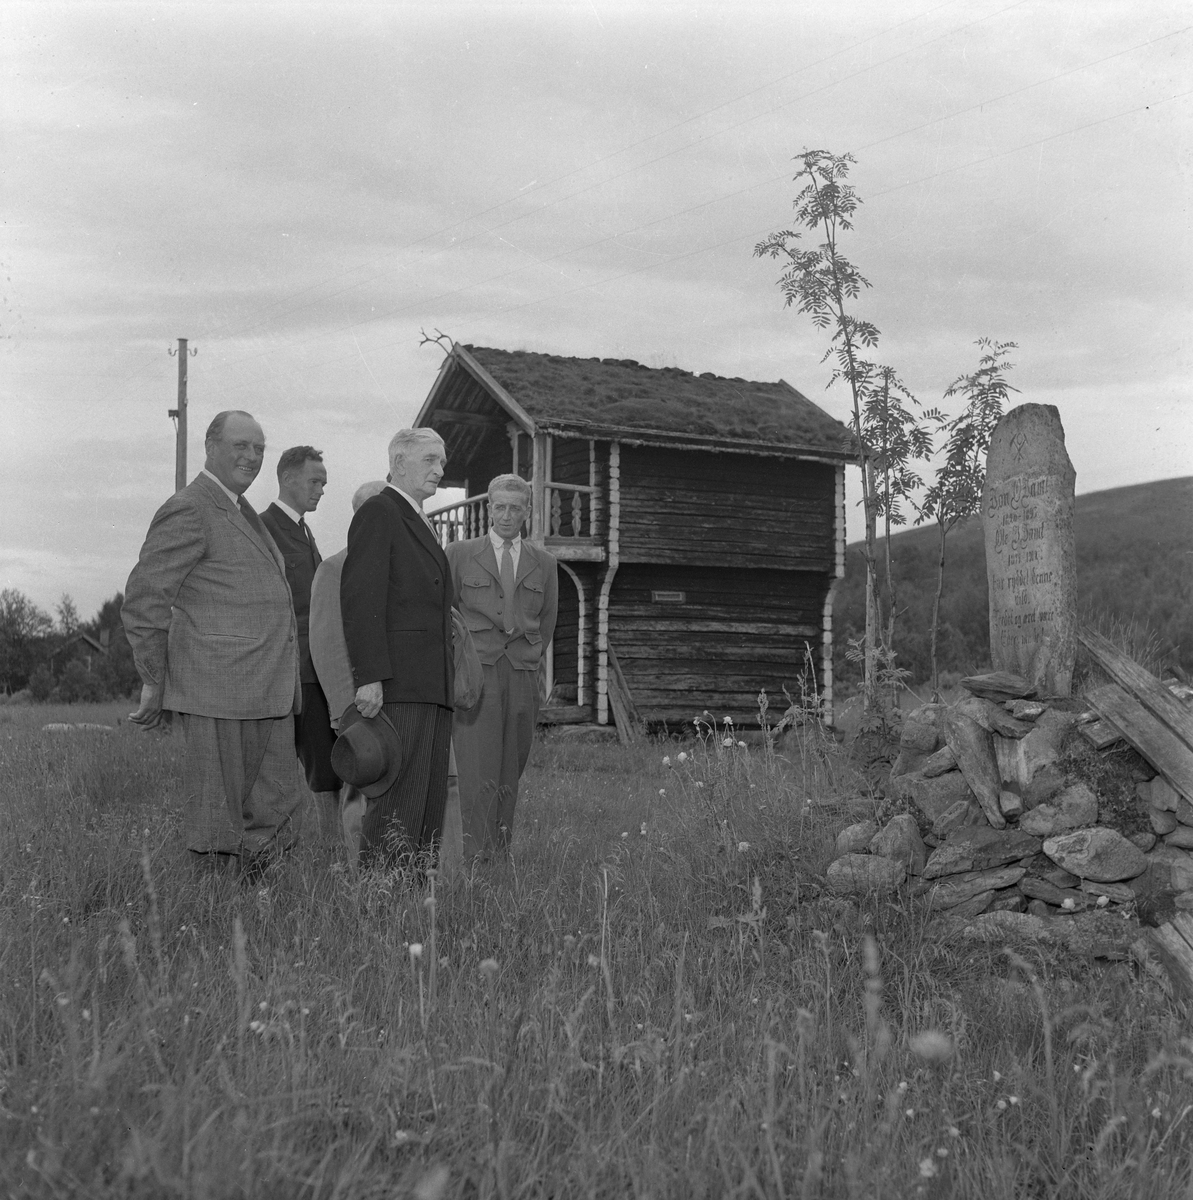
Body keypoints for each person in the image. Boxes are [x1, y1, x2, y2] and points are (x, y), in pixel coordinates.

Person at [122, 410, 302, 878]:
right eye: (242, 445)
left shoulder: (241, 510)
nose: (252, 457)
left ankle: (259, 912)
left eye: (260, 449)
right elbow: (146, 598)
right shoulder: (190, 506)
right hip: (216, 689)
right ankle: (214, 921)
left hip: (268, 690)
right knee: (217, 823)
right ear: (210, 445)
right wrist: (152, 679)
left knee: (275, 806)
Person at [310, 478, 468, 873]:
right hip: (363, 707)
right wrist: (344, 712)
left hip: (412, 701)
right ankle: (363, 874)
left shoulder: (408, 569)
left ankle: (429, 878)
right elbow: (328, 644)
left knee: (428, 792)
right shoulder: (334, 569)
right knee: (364, 793)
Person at [340, 429, 454, 867]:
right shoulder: (380, 512)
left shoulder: (417, 518)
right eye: (429, 460)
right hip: (399, 687)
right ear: (399, 463)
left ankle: (414, 905)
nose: (439, 470)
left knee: (427, 807)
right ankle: (379, 903)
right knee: (397, 805)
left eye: (442, 462)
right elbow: (361, 597)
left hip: (431, 687)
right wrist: (369, 677)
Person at [448, 473, 558, 858]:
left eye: (515, 508)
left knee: (513, 762)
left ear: (527, 511)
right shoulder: (459, 554)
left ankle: (500, 850)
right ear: (489, 508)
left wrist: (527, 658)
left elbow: (546, 623)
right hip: (477, 673)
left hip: (522, 673)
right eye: (500, 507)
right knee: (476, 764)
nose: (507, 515)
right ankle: (472, 853)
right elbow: (447, 616)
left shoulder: (544, 563)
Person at [259, 446, 339, 835]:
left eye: (323, 483)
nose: (321, 490)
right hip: (284, 674)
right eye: (314, 481)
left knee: (325, 768)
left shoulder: (303, 529)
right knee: (276, 772)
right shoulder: (262, 528)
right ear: (288, 479)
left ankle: (329, 854)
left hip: (314, 670)